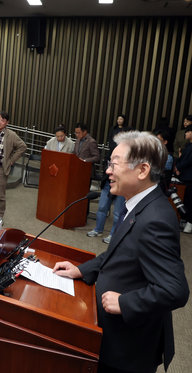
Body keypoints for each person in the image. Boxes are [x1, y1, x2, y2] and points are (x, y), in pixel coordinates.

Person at [53, 131, 189, 373]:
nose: (108, 171)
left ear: (142, 170)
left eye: (114, 164)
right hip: (112, 334)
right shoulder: (136, 204)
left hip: (128, 348)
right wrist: (81, 270)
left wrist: (126, 302)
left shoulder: (155, 218)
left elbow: (175, 290)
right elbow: (119, 253)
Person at [175, 127, 192, 233]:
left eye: (187, 132)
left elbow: (189, 160)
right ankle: (185, 220)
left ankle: (190, 223)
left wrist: (179, 167)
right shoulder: (188, 145)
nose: (185, 134)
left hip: (190, 177)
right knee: (185, 199)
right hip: (185, 176)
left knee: (190, 200)